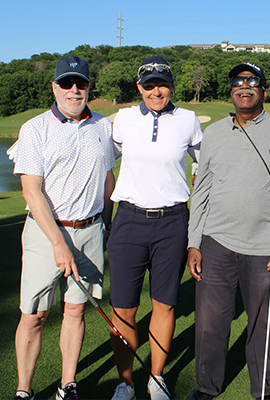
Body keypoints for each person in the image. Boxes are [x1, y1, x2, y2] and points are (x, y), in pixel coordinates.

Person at [186, 62, 270, 400]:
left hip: (263, 247)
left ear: (263, 91)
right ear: (231, 90)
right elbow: (202, 190)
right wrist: (194, 242)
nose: (244, 86)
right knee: (211, 324)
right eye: (238, 81)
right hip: (216, 242)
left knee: (261, 326)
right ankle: (206, 386)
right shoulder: (215, 134)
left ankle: (263, 390)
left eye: (252, 81)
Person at [13, 55, 117, 400]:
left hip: (89, 231)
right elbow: (31, 190)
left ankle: (67, 384)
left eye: (81, 84)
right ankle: (24, 390)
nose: (74, 90)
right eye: (67, 84)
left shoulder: (103, 127)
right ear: (54, 86)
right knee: (35, 314)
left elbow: (108, 179)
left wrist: (108, 224)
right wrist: (58, 242)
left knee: (75, 309)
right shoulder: (35, 129)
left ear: (89, 88)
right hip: (46, 233)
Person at [106, 56, 203, 400]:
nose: (156, 91)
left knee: (164, 304)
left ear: (171, 85)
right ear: (139, 88)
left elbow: (205, 167)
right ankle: (126, 381)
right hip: (129, 220)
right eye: (149, 85)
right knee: (124, 309)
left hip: (172, 222)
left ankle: (157, 377)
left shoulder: (188, 120)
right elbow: (104, 163)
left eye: (162, 84)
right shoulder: (124, 120)